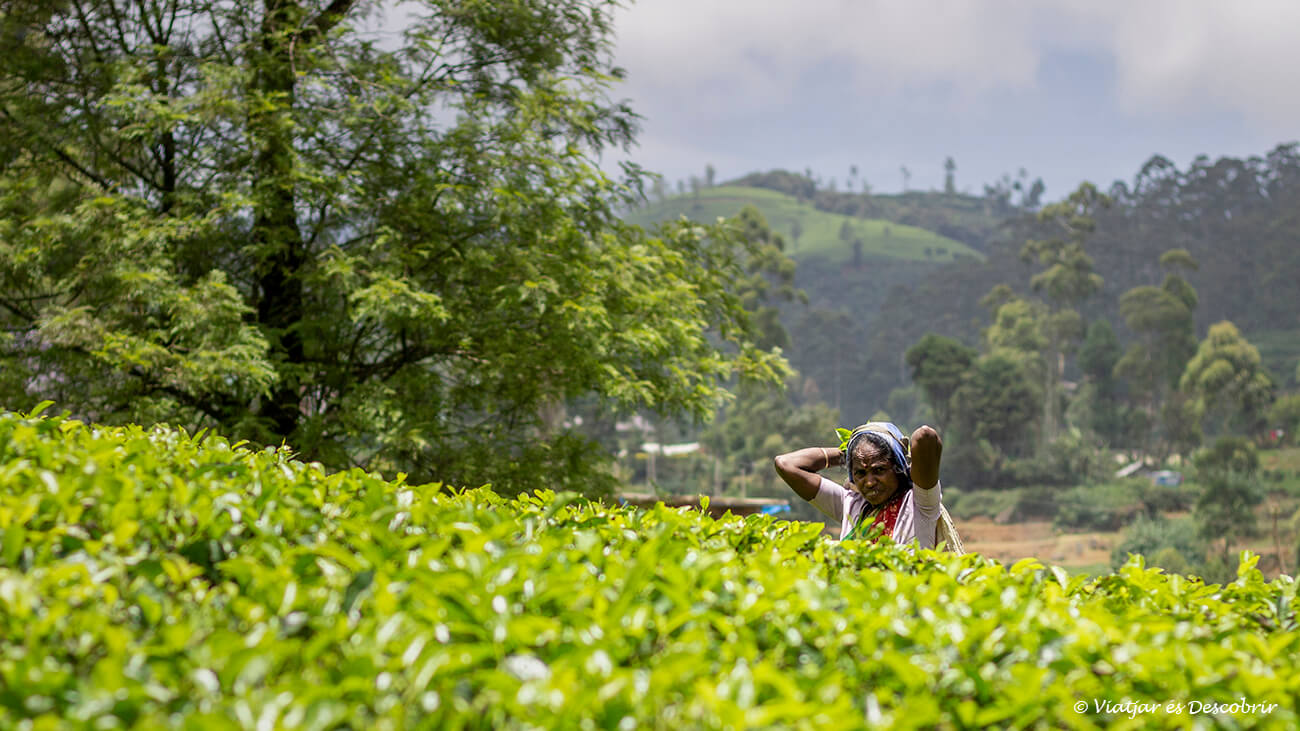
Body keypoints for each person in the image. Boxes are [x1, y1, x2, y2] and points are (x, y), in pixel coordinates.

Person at [773, 422, 961, 551]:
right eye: (860, 473)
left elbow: (925, 436)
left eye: (879, 470)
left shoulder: (919, 503)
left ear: (897, 468)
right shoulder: (850, 504)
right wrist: (845, 454)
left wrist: (905, 462)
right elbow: (786, 464)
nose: (869, 482)